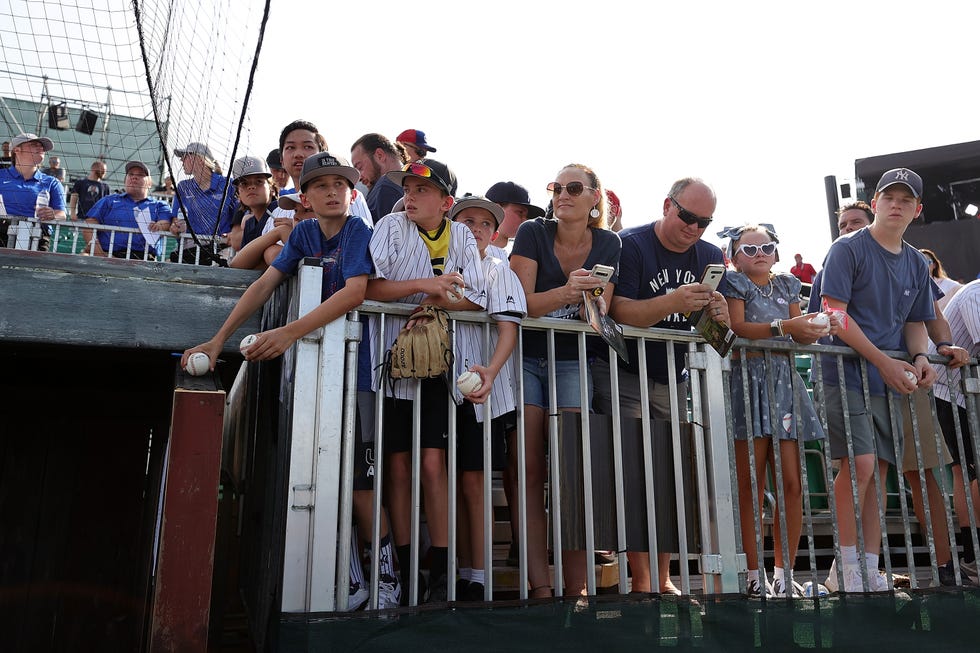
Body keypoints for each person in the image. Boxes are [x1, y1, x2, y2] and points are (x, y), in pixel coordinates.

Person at [181, 152, 402, 609]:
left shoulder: (360, 230)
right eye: (320, 185)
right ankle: (353, 578)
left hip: (356, 375)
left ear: (353, 193)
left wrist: (286, 333)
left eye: (339, 184)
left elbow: (356, 292)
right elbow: (263, 284)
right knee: (327, 480)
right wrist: (219, 339)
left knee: (360, 484)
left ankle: (388, 578)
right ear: (304, 196)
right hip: (315, 377)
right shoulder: (302, 231)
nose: (331, 191)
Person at [599, 177, 729, 595]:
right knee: (637, 473)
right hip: (623, 371)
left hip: (672, 377)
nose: (694, 228)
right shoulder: (631, 243)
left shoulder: (710, 255)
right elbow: (618, 310)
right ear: (667, 205)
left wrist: (719, 317)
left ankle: (661, 577)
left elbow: (706, 330)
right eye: (688, 217)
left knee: (669, 475)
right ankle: (641, 580)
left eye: (704, 222)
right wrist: (673, 302)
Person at [366, 158, 485, 604]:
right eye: (408, 187)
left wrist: (442, 301)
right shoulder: (390, 227)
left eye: (422, 189)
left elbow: (477, 300)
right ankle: (405, 564)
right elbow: (368, 287)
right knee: (397, 465)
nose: (410, 195)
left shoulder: (461, 237)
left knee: (433, 464)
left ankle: (440, 568)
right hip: (392, 360)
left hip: (441, 362)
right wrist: (429, 287)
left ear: (446, 201)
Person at [819, 167, 936, 593]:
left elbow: (914, 322)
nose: (896, 204)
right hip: (844, 372)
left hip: (886, 378)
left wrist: (920, 356)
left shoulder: (916, 263)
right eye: (889, 196)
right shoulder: (847, 248)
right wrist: (885, 362)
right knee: (860, 465)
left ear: (917, 210)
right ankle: (846, 566)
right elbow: (835, 314)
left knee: (879, 471)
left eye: (906, 199)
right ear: (875, 203)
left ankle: (865, 566)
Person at [509, 163, 621, 597]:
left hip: (574, 360)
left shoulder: (609, 241)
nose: (562, 194)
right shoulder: (533, 232)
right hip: (526, 358)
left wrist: (586, 301)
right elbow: (519, 304)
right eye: (557, 187)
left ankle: (577, 590)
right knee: (529, 468)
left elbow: (599, 313)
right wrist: (567, 293)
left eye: (574, 188)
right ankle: (540, 585)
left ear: (596, 197)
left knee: (572, 469)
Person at [718, 224, 829, 597]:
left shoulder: (787, 285)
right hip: (747, 382)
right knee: (750, 485)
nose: (759, 253)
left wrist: (815, 327)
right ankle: (754, 573)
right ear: (734, 256)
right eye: (748, 249)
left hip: (784, 383)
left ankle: (783, 575)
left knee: (792, 485)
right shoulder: (733, 284)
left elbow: (799, 332)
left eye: (766, 247)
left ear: (777, 253)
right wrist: (787, 325)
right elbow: (737, 327)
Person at [449, 194, 527, 601]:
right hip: (441, 385)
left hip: (484, 391)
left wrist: (492, 372)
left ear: (495, 233)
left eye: (484, 223)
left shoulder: (500, 267)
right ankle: (462, 569)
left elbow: (508, 329)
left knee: (474, 482)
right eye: (466, 221)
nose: (475, 229)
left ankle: (480, 575)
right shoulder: (439, 263)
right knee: (453, 482)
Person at [930, 280, 980, 580]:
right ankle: (973, 556)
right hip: (949, 392)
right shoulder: (975, 294)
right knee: (967, 469)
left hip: (966, 392)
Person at [84, 160, 171, 259]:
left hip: (144, 260)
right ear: (125, 180)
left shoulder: (160, 205)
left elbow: (166, 222)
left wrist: (159, 225)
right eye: (130, 174)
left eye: (141, 175)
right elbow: (89, 225)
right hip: (109, 256)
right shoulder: (109, 201)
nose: (134, 177)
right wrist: (100, 254)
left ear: (150, 183)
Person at [168, 142, 238, 263]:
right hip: (190, 249)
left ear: (199, 159)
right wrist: (175, 227)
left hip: (222, 248)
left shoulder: (228, 185)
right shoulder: (183, 187)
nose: (181, 161)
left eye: (184, 157)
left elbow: (239, 218)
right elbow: (175, 219)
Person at [0, 133, 67, 249]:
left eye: (42, 146)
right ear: (17, 150)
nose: (40, 148)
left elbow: (62, 214)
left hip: (37, 238)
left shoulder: (52, 182)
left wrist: (53, 215)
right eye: (34, 144)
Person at [224, 155, 279, 266]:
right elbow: (244, 265)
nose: (251, 187)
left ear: (272, 189)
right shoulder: (249, 224)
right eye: (244, 184)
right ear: (238, 194)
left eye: (259, 181)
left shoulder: (281, 211)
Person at [350, 133, 405, 222]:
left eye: (360, 167)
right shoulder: (415, 181)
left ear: (380, 155)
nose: (359, 178)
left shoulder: (386, 186)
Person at [484, 180, 545, 255]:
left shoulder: (522, 256)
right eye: (520, 212)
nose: (525, 220)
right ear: (497, 209)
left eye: (527, 216)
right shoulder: (468, 250)